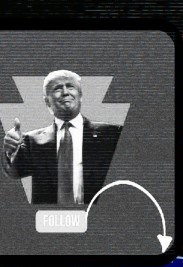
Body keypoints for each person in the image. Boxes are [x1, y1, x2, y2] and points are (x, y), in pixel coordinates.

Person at [2, 69, 122, 205]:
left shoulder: (113, 134)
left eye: (70, 87)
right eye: (58, 88)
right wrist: (11, 151)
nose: (65, 92)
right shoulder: (31, 141)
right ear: (47, 102)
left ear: (80, 96)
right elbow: (15, 173)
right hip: (50, 221)